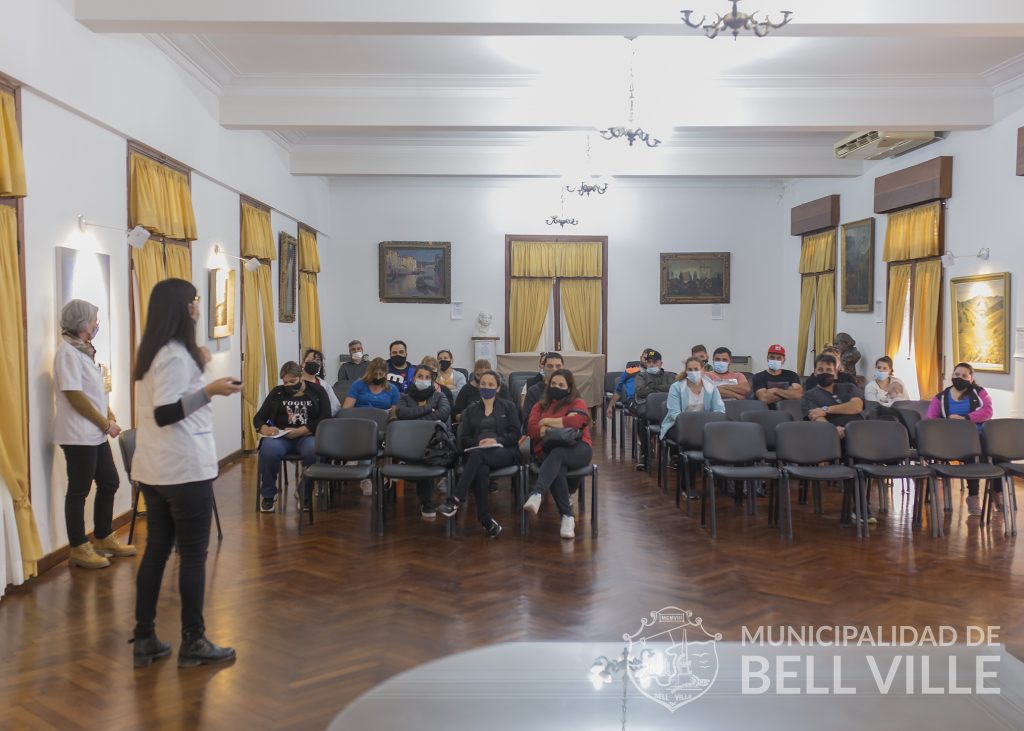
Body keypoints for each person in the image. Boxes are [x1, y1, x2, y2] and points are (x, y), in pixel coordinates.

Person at [131, 278, 242, 669]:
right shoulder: (174, 356)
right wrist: (210, 390)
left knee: (157, 551)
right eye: (195, 301)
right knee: (194, 557)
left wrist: (202, 368)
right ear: (182, 307)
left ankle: (144, 638)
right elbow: (167, 413)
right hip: (182, 468)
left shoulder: (153, 352)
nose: (198, 307)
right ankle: (193, 641)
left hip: (155, 468)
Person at [53, 299, 133, 569]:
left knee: (110, 482)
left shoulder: (84, 350)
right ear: (80, 322)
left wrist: (108, 413)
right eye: (93, 320)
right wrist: (104, 423)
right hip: (77, 435)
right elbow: (75, 396)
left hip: (94, 433)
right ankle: (78, 547)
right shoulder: (66, 352)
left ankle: (102, 537)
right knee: (78, 491)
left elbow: (93, 391)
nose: (96, 324)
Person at [438, 370, 521, 537]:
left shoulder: (508, 406)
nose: (486, 387)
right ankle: (486, 520)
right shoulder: (471, 410)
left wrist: (496, 440)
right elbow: (464, 438)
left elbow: (515, 434)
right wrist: (479, 443)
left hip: (503, 451)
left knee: (478, 457)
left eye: (491, 385)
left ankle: (455, 499)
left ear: (498, 388)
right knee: (481, 468)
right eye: (483, 384)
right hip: (478, 452)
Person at [523, 369, 593, 539]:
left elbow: (577, 422)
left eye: (561, 385)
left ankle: (538, 493)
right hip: (547, 451)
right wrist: (561, 426)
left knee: (557, 453)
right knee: (557, 460)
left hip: (579, 448)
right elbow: (531, 430)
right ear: (548, 385)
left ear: (569, 388)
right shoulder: (538, 406)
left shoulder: (577, 402)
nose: (556, 387)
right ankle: (567, 517)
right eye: (553, 384)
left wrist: (546, 422)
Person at [255, 361, 330, 512]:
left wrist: (303, 430)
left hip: (307, 435)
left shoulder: (317, 391)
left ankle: (304, 492)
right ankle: (269, 495)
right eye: (285, 382)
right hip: (281, 437)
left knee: (313, 451)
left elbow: (326, 417)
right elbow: (259, 418)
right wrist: (265, 429)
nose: (288, 385)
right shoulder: (277, 392)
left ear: (301, 377)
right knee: (268, 449)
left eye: (292, 381)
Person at [925, 362, 998, 516]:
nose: (960, 378)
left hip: (979, 435)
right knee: (971, 455)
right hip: (954, 440)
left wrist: (965, 418)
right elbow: (930, 420)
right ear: (952, 376)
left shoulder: (979, 392)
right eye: (957, 374)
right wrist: (949, 423)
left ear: (971, 379)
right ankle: (973, 497)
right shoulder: (941, 397)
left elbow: (987, 411)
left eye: (965, 376)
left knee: (998, 454)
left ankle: (998, 492)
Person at [395, 363, 452, 518]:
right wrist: (427, 409)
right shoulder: (405, 397)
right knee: (420, 454)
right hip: (410, 444)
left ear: (432, 380)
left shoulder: (439, 396)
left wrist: (417, 420)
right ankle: (426, 503)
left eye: (427, 377)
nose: (423, 379)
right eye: (420, 376)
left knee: (425, 456)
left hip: (435, 444)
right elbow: (401, 413)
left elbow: (444, 413)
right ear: (414, 378)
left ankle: (426, 502)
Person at [801, 354, 864, 438]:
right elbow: (816, 417)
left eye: (829, 370)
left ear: (835, 372)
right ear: (815, 372)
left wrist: (826, 410)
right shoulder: (808, 396)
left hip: (860, 432)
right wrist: (833, 430)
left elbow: (857, 406)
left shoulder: (849, 387)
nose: (825, 373)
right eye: (820, 369)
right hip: (831, 437)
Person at [660, 357, 726, 438]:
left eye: (696, 369)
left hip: (705, 425)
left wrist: (708, 423)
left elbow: (720, 411)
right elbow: (674, 414)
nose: (693, 372)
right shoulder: (676, 387)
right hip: (679, 425)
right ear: (686, 371)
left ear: (702, 370)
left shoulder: (711, 387)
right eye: (690, 370)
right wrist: (693, 424)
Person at [633, 349, 673, 471]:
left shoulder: (669, 376)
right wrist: (661, 390)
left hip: (666, 408)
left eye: (655, 362)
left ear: (661, 363)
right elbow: (640, 391)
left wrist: (652, 387)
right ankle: (645, 454)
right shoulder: (641, 375)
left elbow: (672, 389)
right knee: (642, 418)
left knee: (678, 418)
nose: (651, 364)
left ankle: (675, 456)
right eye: (649, 362)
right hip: (646, 407)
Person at [521, 352, 564, 430]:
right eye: (550, 366)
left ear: (563, 368)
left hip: (568, 436)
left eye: (558, 366)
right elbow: (528, 422)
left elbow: (579, 419)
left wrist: (546, 421)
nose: (554, 369)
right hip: (541, 436)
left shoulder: (570, 390)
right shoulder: (533, 391)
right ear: (543, 368)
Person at [752, 344, 803, 408]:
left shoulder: (792, 375)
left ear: (783, 360)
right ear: (767, 358)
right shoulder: (759, 376)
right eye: (772, 357)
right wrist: (788, 392)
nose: (775, 360)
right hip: (766, 413)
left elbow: (798, 395)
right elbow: (764, 398)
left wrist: (775, 390)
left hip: (788, 412)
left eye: (779, 358)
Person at [302, 348, 341, 416]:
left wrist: (321, 415)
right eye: (311, 360)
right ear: (303, 364)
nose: (314, 362)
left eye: (318, 361)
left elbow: (335, 406)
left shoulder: (325, 385)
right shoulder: (295, 382)